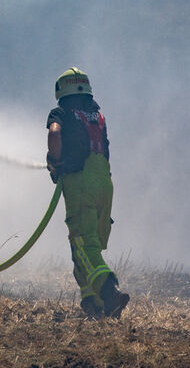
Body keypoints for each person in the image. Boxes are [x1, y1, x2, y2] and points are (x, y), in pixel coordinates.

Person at [46, 67, 129, 318]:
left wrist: (54, 160)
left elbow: (55, 133)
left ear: (61, 90)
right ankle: (93, 303)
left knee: (83, 242)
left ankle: (109, 292)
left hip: (79, 181)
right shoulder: (96, 115)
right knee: (85, 244)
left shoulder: (61, 111)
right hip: (104, 182)